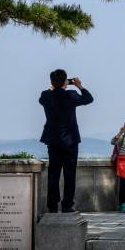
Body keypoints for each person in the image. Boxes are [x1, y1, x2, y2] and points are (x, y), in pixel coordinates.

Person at [39, 69, 93, 213]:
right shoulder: (71, 95)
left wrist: (55, 87)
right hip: (70, 141)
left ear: (51, 82)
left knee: (53, 174)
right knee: (69, 174)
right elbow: (89, 99)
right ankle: (67, 205)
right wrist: (79, 85)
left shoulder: (45, 96)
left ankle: (52, 205)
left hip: (53, 141)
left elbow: (44, 97)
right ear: (65, 82)